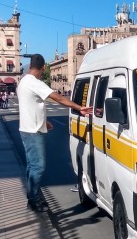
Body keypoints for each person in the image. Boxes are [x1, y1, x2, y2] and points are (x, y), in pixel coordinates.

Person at [18, 53, 93, 212]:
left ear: (30, 65)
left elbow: (30, 105)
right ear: (43, 67)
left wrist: (44, 121)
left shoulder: (23, 81)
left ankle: (33, 196)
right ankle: (33, 200)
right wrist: (79, 107)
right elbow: (57, 97)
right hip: (33, 132)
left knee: (32, 166)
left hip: (26, 129)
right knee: (38, 166)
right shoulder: (34, 83)